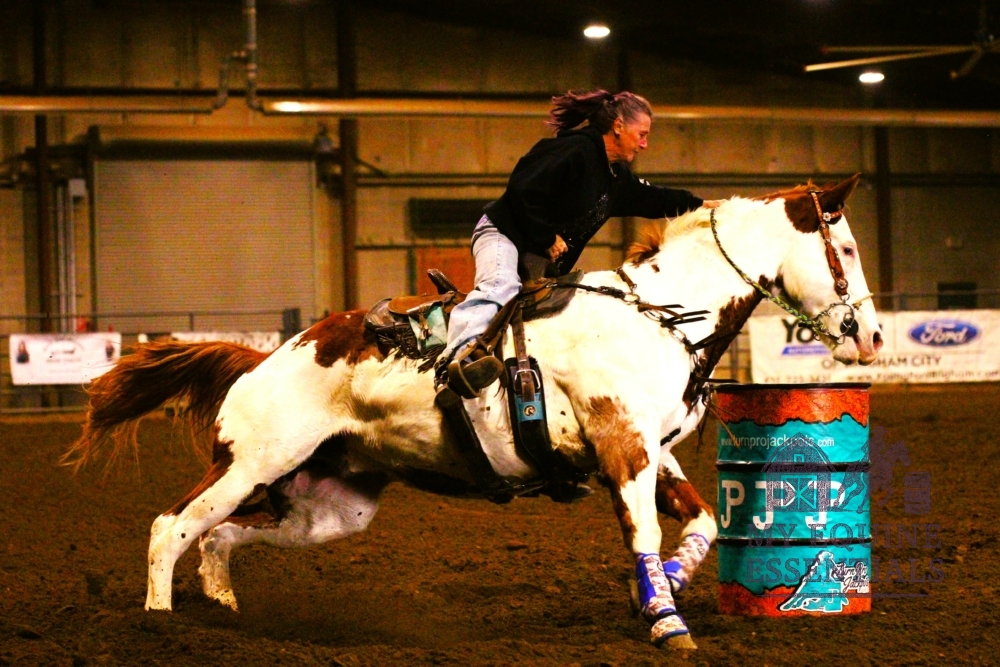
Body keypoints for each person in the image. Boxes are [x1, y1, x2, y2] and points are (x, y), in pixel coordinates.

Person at [438, 89, 718, 397]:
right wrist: (546, 236)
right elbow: (523, 188)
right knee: (498, 286)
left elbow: (654, 197)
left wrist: (700, 205)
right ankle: (457, 364)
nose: (644, 144)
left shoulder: (615, 177)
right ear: (618, 126)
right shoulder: (575, 150)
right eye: (642, 134)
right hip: (503, 233)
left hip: (538, 259)